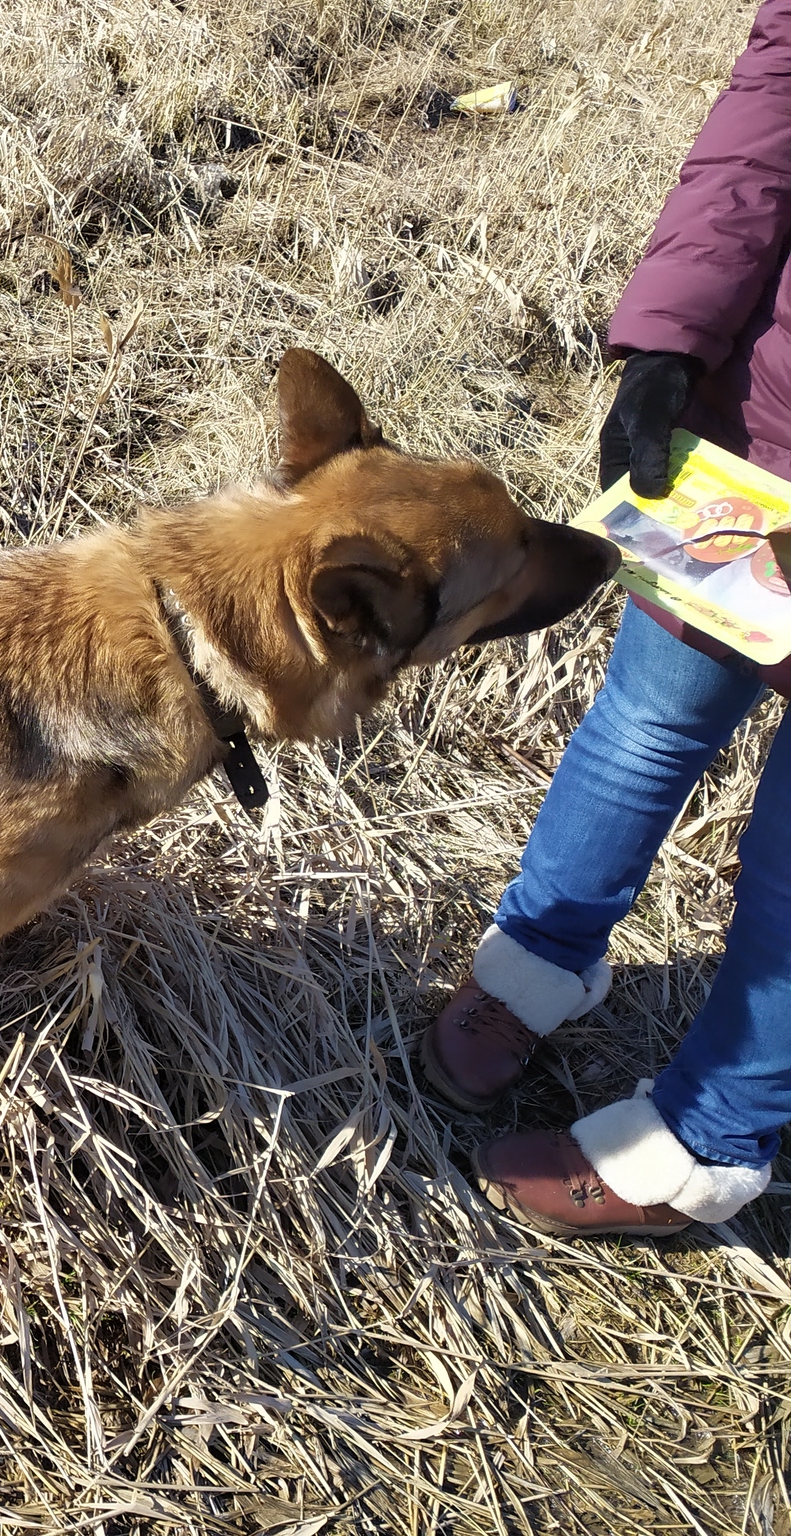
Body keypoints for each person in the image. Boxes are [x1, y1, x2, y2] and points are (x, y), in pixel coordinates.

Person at [424, 2, 791, 1235]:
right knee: (641, 724)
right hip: (767, 442)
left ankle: (704, 1141)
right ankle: (533, 966)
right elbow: (767, 110)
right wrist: (669, 341)